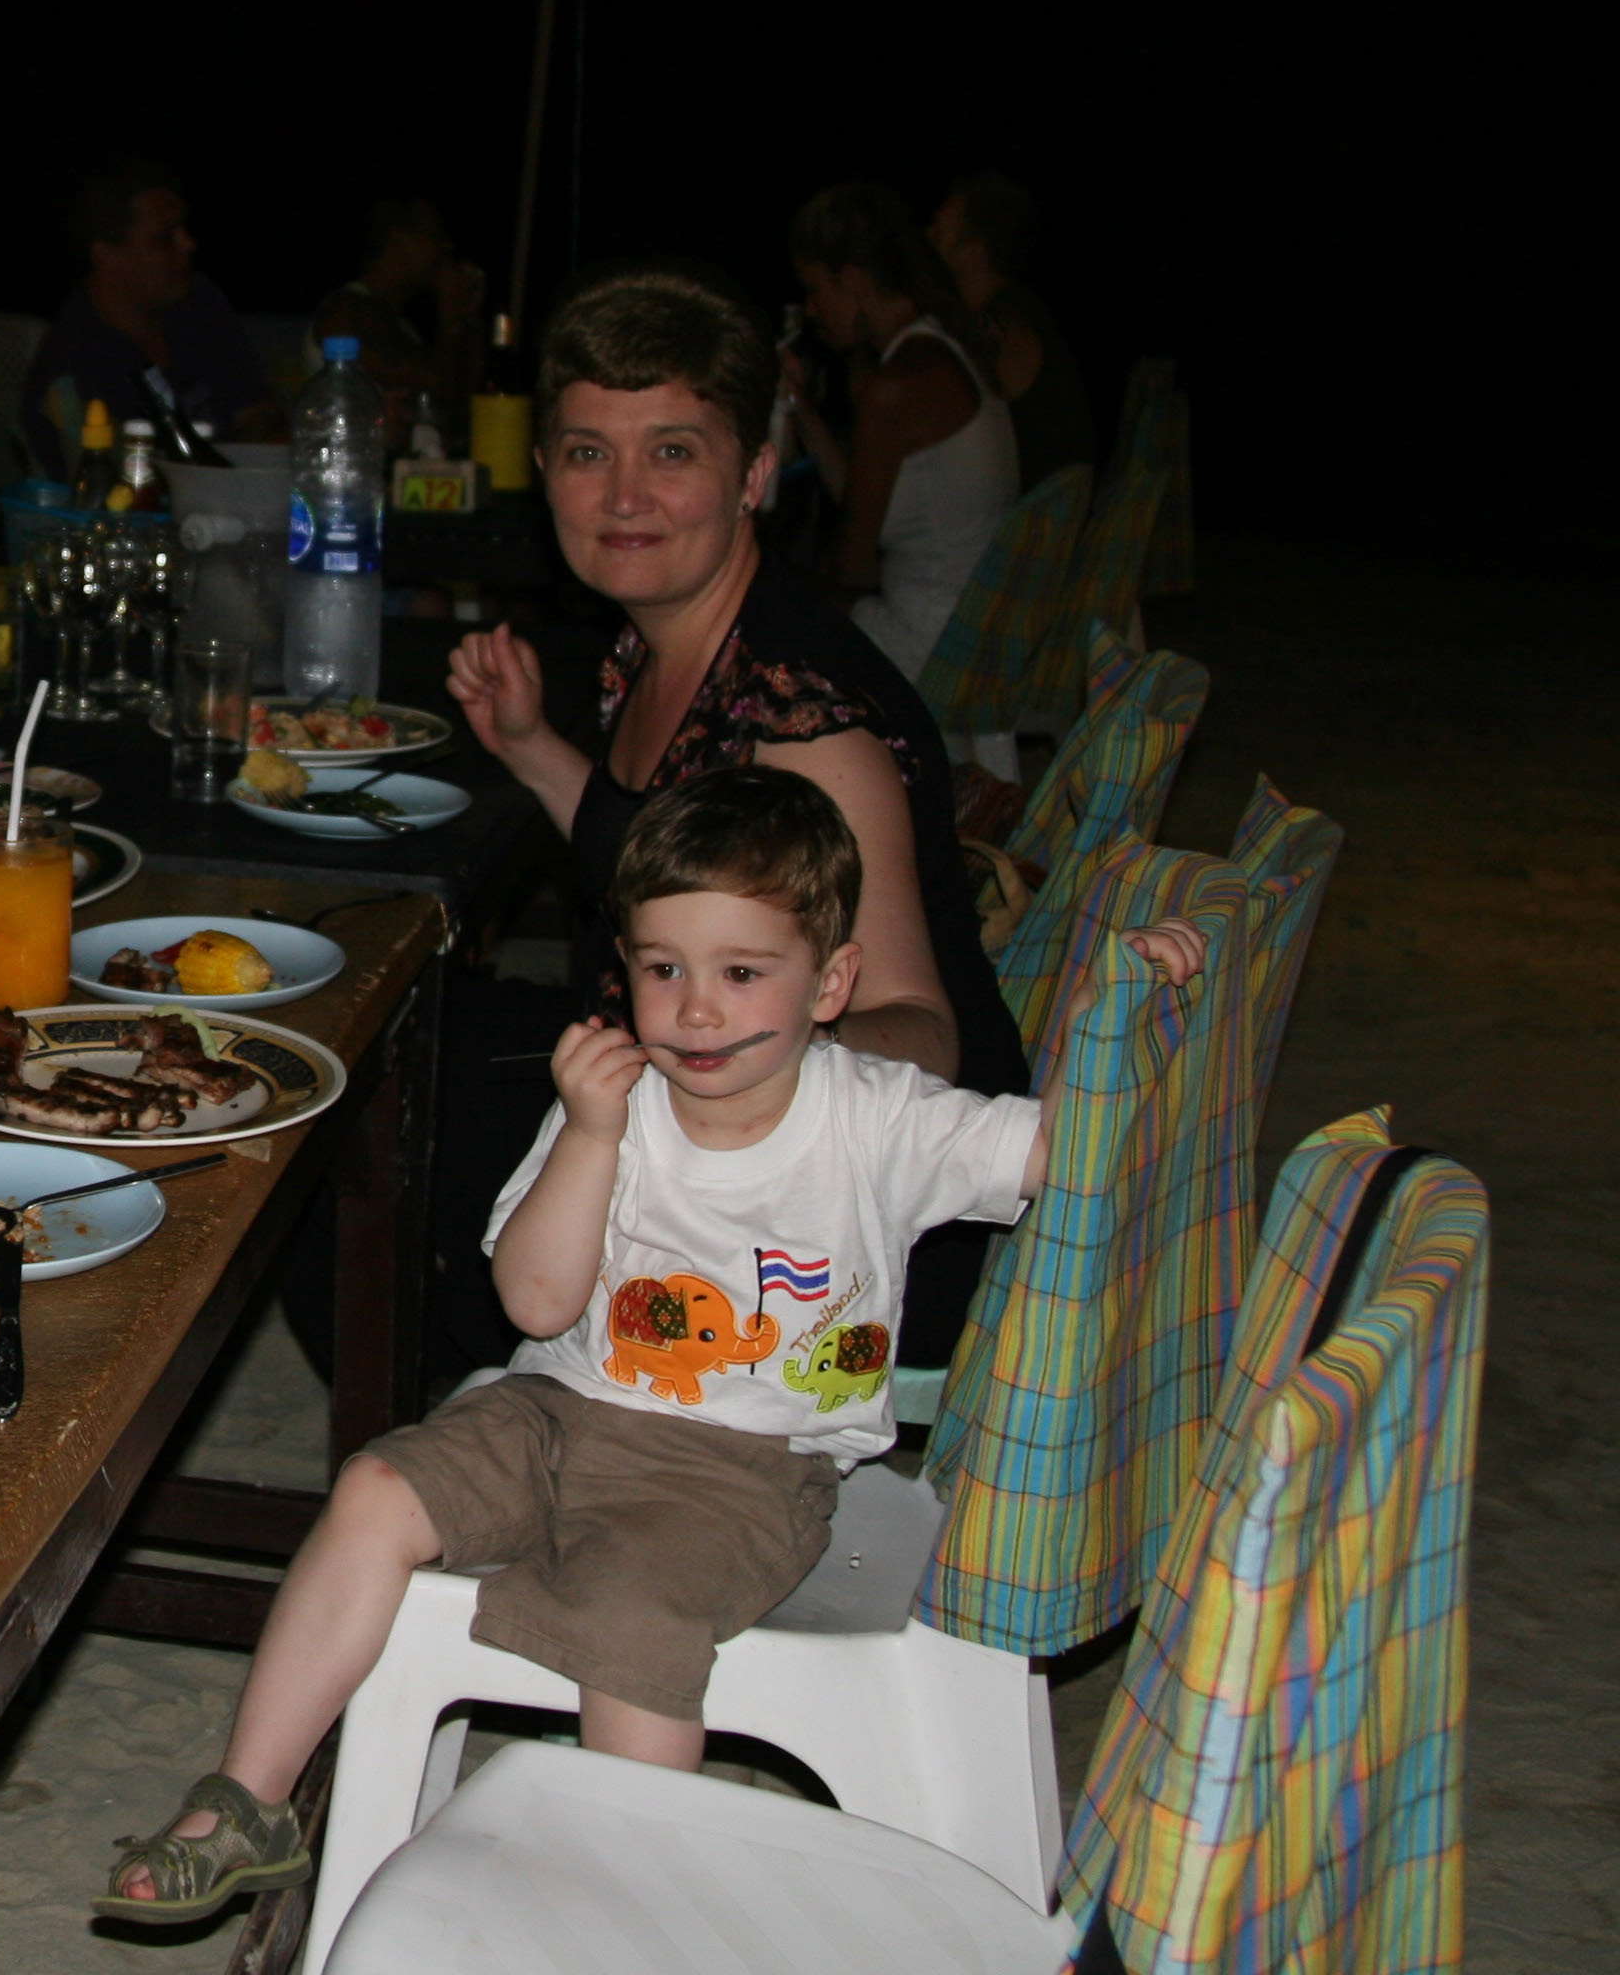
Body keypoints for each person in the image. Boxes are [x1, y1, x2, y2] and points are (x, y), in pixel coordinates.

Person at [102, 766, 1208, 1922]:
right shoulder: (609, 1099)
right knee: (375, 1488)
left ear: (832, 983)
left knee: (630, 1615)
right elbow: (535, 1303)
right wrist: (589, 1134)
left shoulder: (884, 1116)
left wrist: (1119, 1023)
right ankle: (251, 1798)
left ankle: (618, 1904)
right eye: (664, 968)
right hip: (556, 1407)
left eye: (743, 972)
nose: (697, 1009)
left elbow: (1069, 1154)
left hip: (744, 1463)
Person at [443, 265, 1030, 1371]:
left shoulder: (805, 726)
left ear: (754, 471)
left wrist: (704, 1073)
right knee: (412, 1040)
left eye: (672, 452)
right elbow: (655, 860)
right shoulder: (663, 642)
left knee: (404, 1125)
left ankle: (492, 1411)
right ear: (545, 471)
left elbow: (919, 1028)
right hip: (686, 1098)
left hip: (829, 1237)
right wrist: (528, 746)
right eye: (589, 453)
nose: (624, 497)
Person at [785, 183, 1019, 686]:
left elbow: (854, 569)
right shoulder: (946, 349)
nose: (811, 309)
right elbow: (865, 497)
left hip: (932, 651)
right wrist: (800, 407)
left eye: (815, 290)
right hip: (973, 628)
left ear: (852, 281)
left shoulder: (898, 386)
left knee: (756, 590)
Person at [14, 159, 276, 474]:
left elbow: (257, 413)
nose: (188, 244)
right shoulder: (71, 368)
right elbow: (116, 486)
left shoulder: (198, 302)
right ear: (106, 255)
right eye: (165, 238)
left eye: (184, 230)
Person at [931, 170, 1098, 485]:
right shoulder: (1012, 307)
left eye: (938, 232)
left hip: (1035, 507)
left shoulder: (1002, 323)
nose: (926, 238)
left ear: (974, 250)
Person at [311, 195, 487, 417]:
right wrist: (450, 317)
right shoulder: (346, 311)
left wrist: (468, 317)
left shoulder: (403, 328)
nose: (446, 247)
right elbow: (434, 388)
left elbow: (464, 404)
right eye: (435, 237)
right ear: (398, 241)